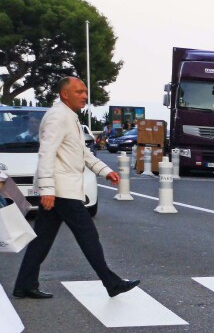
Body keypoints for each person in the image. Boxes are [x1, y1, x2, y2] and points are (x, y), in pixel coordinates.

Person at [12, 76, 138, 300]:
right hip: (62, 191)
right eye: (79, 91)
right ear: (65, 94)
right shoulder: (57, 117)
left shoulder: (69, 117)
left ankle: (24, 284)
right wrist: (48, 189)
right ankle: (112, 283)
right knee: (88, 235)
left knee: (41, 239)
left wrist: (104, 170)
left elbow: (82, 152)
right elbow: (46, 154)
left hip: (62, 190)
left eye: (85, 92)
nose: (85, 96)